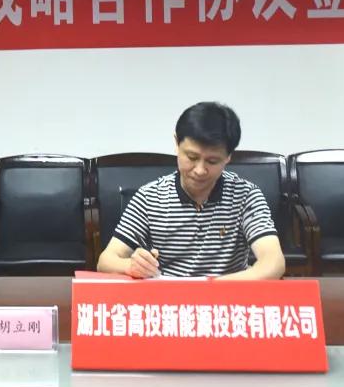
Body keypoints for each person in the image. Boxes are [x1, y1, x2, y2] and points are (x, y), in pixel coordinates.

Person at [97, 102, 285, 280]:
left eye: (212, 161)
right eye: (192, 157)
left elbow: (273, 263)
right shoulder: (150, 197)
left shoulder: (246, 196)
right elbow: (105, 261)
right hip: (170, 298)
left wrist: (210, 288)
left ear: (228, 157)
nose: (200, 170)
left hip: (227, 296)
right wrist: (131, 266)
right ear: (176, 143)